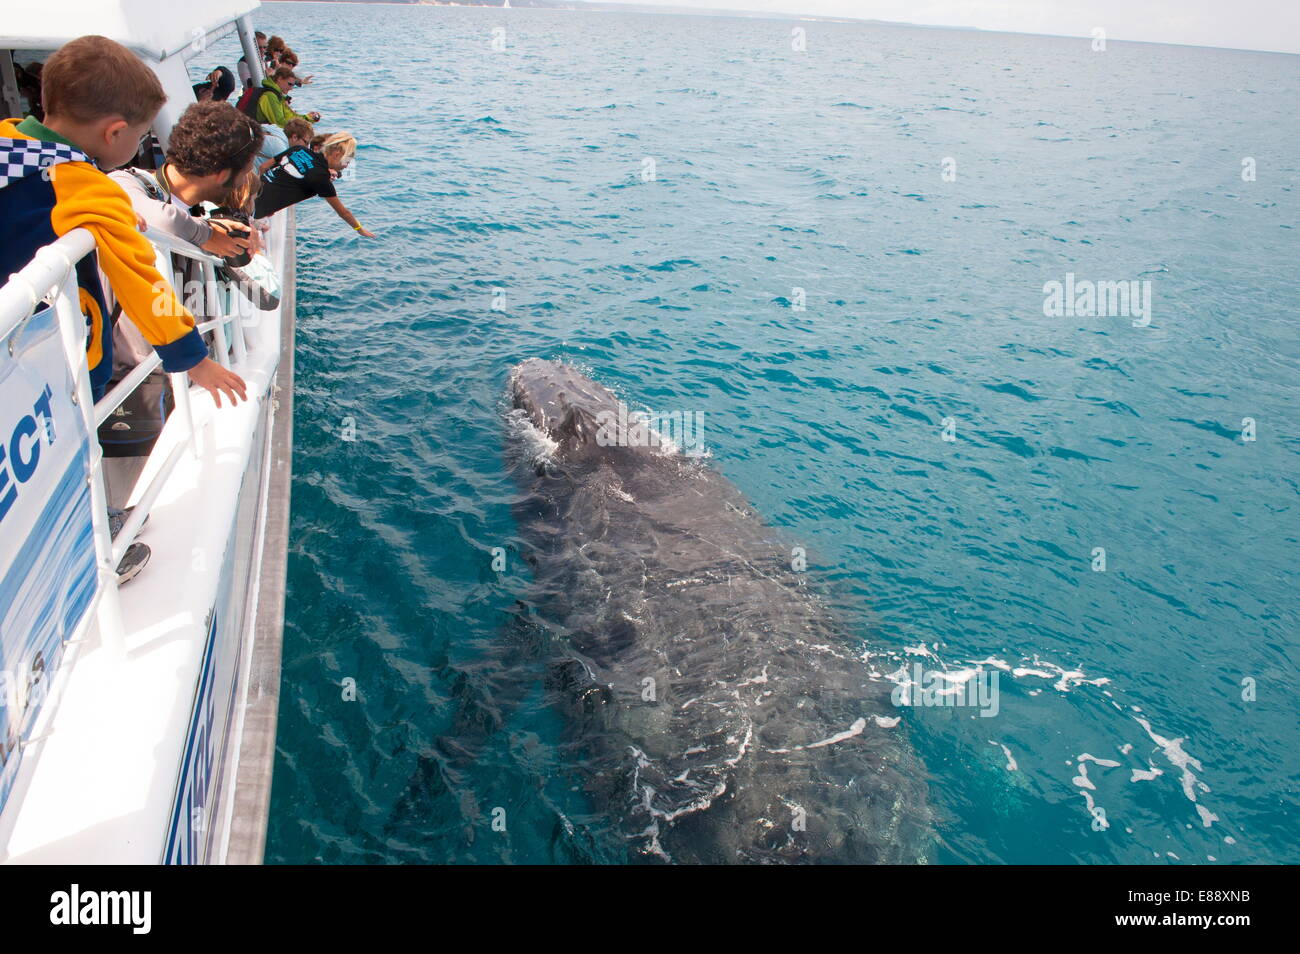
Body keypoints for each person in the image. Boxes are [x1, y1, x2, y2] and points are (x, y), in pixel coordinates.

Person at [0, 35, 247, 581]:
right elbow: (140, 282)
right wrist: (192, 357)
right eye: (138, 137)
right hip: (48, 360)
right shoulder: (90, 189)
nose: (138, 146)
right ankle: (94, 542)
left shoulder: (7, 143)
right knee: (68, 448)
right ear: (115, 133)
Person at [253, 131, 374, 237]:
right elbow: (343, 212)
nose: (347, 165)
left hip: (248, 190)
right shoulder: (321, 177)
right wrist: (360, 229)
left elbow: (263, 167)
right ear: (337, 155)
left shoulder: (299, 149)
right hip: (253, 208)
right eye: (347, 161)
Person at [252, 66, 320, 128]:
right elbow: (279, 123)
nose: (291, 88)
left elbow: (290, 116)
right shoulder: (270, 96)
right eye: (290, 84)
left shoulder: (277, 95)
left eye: (293, 85)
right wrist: (303, 124)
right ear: (279, 79)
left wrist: (308, 118)